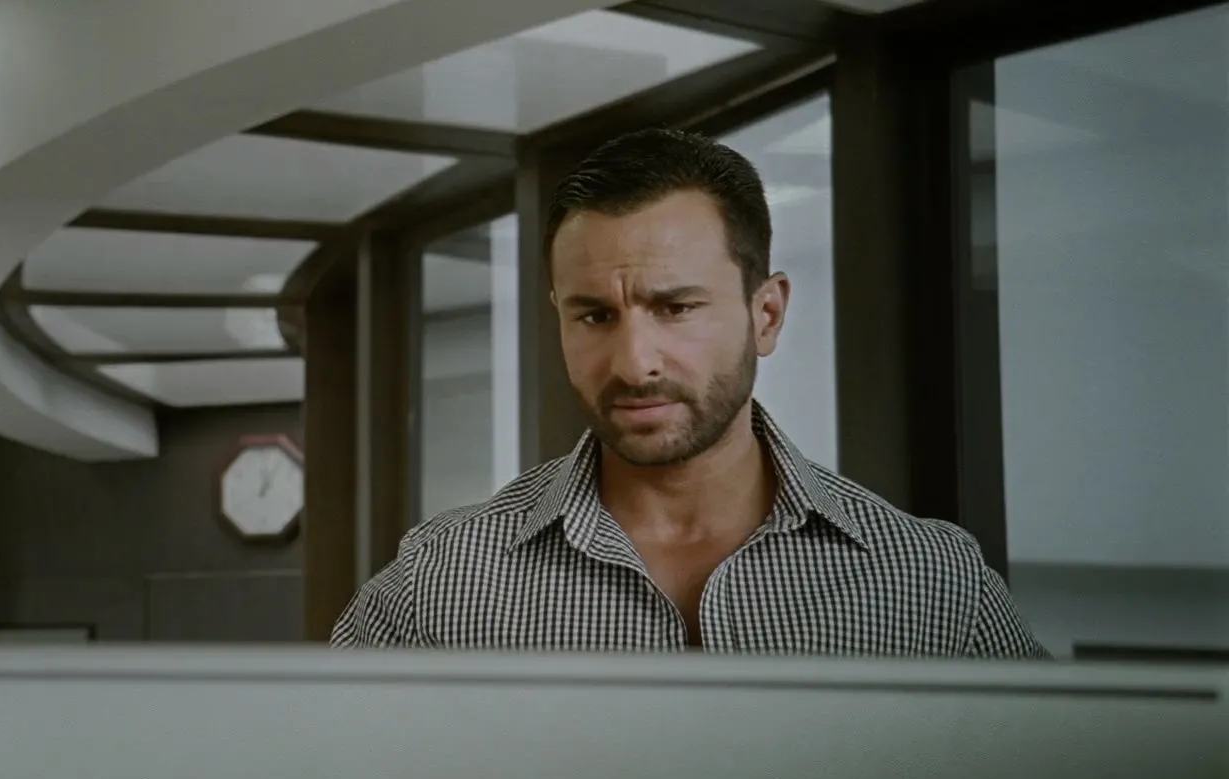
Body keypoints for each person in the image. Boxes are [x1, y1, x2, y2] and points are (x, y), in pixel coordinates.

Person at [332, 128, 1045, 658]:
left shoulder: (932, 583)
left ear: (767, 314)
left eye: (676, 308)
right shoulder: (439, 584)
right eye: (595, 316)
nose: (634, 362)